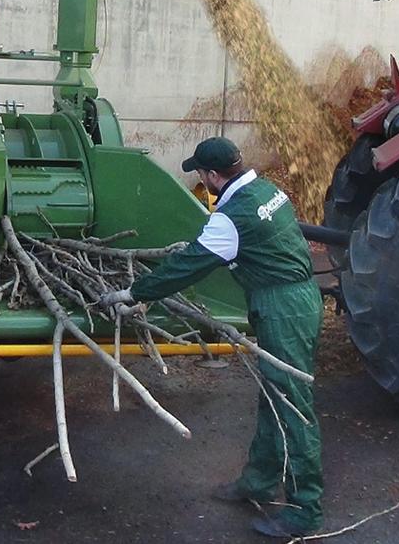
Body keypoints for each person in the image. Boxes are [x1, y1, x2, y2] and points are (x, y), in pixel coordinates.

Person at [98, 136, 324, 538]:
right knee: (276, 395)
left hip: (282, 306)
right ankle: (258, 480)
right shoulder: (267, 190)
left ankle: (307, 507)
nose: (201, 181)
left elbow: (187, 268)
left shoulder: (232, 217)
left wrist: (134, 293)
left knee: (292, 404)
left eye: (202, 175)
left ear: (215, 175)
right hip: (297, 297)